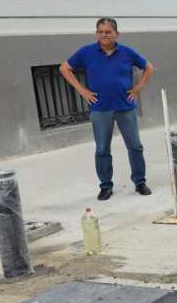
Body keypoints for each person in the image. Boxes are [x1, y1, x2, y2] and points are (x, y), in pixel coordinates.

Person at [60, 18, 154, 201]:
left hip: (125, 107)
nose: (104, 35)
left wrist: (138, 88)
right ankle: (105, 186)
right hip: (100, 109)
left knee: (135, 146)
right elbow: (64, 68)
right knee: (102, 149)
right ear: (96, 33)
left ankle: (140, 182)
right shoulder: (86, 52)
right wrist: (82, 90)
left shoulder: (127, 52)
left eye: (108, 32)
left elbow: (148, 67)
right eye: (100, 31)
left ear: (117, 34)